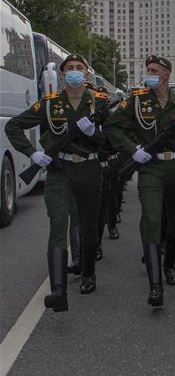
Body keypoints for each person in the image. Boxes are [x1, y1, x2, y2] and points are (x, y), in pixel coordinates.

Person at [5, 54, 110, 310]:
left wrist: (94, 134)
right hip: (59, 170)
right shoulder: (50, 104)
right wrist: (33, 153)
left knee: (87, 225)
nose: (74, 72)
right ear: (62, 75)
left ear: (86, 74)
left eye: (79, 68)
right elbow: (14, 126)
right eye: (69, 69)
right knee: (58, 223)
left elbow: (113, 141)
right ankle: (58, 291)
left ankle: (88, 273)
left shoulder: (101, 103)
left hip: (88, 169)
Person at [105, 55, 175, 307]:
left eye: (154, 70)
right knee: (152, 219)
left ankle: (169, 266)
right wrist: (132, 150)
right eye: (148, 69)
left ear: (166, 74)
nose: (150, 73)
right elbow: (113, 127)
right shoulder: (136, 101)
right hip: (151, 166)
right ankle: (155, 284)